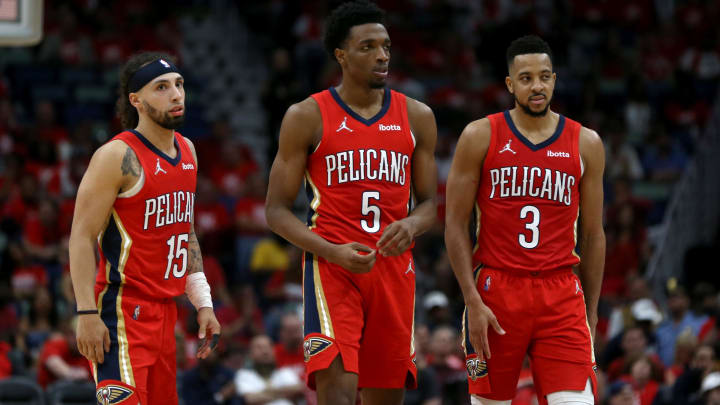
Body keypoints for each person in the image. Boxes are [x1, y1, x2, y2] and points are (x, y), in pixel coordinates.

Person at [264, 1, 438, 404]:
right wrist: (332, 252)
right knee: (338, 393)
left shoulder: (417, 116)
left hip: (394, 271)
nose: (382, 56)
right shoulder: (306, 115)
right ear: (341, 54)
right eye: (368, 47)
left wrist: (411, 225)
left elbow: (429, 204)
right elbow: (275, 211)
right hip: (331, 269)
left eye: (386, 46)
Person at [444, 35, 606, 405]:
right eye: (527, 77)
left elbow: (594, 235)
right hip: (497, 292)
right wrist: (470, 299)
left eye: (545, 77)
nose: (537, 86)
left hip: (562, 293)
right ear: (510, 84)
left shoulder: (586, 143)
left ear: (555, 80)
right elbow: (455, 224)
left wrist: (592, 313)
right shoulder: (480, 135)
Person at [68, 52, 221, 404]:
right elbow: (80, 236)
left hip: (167, 312)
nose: (176, 94)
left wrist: (204, 303)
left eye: (179, 85)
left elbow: (185, 234)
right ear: (135, 100)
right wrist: (86, 312)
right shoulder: (117, 156)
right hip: (121, 312)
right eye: (162, 87)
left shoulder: (188, 151)